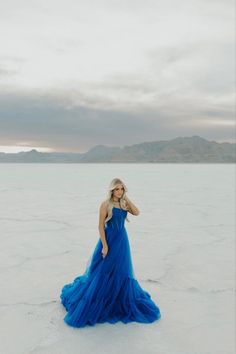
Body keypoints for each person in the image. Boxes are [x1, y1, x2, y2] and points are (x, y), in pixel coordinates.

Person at [60, 177, 161, 327]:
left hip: (122, 240)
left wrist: (126, 198)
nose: (119, 191)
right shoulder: (105, 204)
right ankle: (97, 300)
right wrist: (105, 246)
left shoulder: (124, 203)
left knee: (121, 270)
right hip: (109, 239)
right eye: (117, 189)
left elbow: (137, 212)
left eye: (122, 189)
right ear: (111, 190)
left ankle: (117, 298)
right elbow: (100, 226)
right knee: (102, 271)